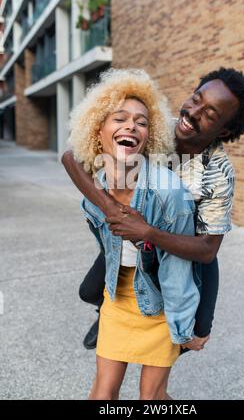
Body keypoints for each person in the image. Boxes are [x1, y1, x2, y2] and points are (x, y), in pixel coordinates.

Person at [63, 67, 244, 398]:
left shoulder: (217, 172)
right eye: (196, 99)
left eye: (208, 113)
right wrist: (114, 211)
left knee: (156, 387)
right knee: (88, 291)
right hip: (129, 238)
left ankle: (181, 327)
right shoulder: (154, 130)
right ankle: (109, 313)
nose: (192, 113)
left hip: (179, 255)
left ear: (224, 129)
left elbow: (208, 250)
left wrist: (147, 231)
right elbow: (73, 157)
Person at [67, 68, 203, 400]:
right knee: (102, 392)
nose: (131, 126)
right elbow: (106, 246)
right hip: (118, 296)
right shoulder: (96, 191)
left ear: (147, 138)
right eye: (120, 119)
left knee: (151, 397)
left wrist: (186, 326)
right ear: (98, 132)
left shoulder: (169, 194)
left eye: (141, 122)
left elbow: (179, 267)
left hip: (160, 303)